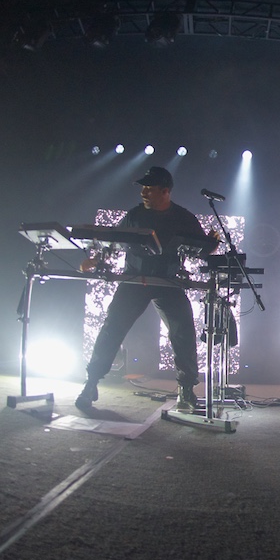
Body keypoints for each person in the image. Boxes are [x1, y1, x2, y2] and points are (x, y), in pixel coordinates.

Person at [75, 166, 219, 412]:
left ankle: (186, 389)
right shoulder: (133, 215)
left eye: (149, 189)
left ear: (165, 191)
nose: (143, 192)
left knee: (182, 332)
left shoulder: (183, 217)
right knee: (112, 328)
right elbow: (113, 244)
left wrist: (211, 245)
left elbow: (201, 251)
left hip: (167, 283)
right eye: (143, 188)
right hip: (134, 280)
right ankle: (91, 383)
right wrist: (95, 260)